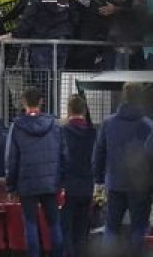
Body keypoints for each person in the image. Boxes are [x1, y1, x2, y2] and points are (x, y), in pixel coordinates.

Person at [92, 81, 153, 254]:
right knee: (138, 226)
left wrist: (98, 179)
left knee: (111, 226)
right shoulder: (148, 126)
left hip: (114, 183)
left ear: (123, 97)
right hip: (140, 187)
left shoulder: (108, 123)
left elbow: (99, 153)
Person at [6, 86, 67, 257]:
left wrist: (11, 187)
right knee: (54, 223)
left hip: (27, 183)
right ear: (41, 101)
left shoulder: (16, 127)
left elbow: (11, 159)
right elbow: (64, 154)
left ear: (23, 102)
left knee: (30, 224)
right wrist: (61, 180)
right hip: (51, 183)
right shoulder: (55, 125)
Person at [11, 0, 75, 88]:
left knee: (42, 84)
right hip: (62, 44)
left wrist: (15, 35)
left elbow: (28, 20)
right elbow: (73, 18)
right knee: (57, 82)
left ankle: (44, 107)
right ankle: (55, 106)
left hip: (42, 45)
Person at [61, 94, 96, 256]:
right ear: (84, 110)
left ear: (68, 110)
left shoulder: (63, 131)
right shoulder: (93, 132)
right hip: (88, 187)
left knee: (66, 230)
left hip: (68, 187)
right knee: (82, 231)